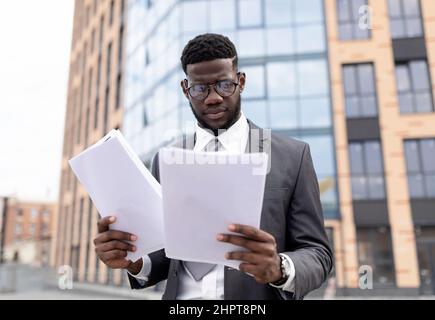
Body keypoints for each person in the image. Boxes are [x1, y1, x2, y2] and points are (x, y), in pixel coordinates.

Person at [94, 33, 333, 300]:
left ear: (241, 82)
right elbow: (167, 254)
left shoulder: (293, 157)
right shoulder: (166, 159)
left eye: (224, 85)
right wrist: (133, 261)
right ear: (186, 89)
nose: (213, 98)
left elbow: (318, 254)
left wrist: (279, 268)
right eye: (200, 88)